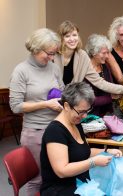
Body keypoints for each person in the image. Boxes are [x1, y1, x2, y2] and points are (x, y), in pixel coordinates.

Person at [40, 82, 123, 195]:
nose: (85, 116)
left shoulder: (76, 123)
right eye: (81, 112)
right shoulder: (55, 131)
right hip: (59, 188)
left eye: (87, 111)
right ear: (66, 106)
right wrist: (93, 162)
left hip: (77, 181)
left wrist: (106, 151)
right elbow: (61, 171)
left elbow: (83, 151)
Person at [9, 28, 64, 195]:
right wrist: (46, 104)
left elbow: (61, 92)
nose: (52, 57)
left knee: (56, 175)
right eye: (49, 53)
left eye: (54, 53)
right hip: (35, 132)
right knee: (38, 179)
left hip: (56, 128)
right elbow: (16, 106)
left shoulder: (54, 68)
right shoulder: (21, 71)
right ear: (36, 49)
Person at [53, 20, 123, 94]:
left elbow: (98, 81)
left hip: (71, 102)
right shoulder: (53, 55)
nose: (72, 39)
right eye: (67, 36)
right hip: (51, 100)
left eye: (74, 35)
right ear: (61, 38)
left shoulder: (82, 56)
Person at [85, 34, 114, 117]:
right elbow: (88, 100)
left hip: (107, 115)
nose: (107, 56)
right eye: (104, 53)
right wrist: (110, 98)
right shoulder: (85, 69)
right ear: (94, 53)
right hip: (89, 116)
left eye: (108, 53)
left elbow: (111, 88)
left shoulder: (104, 67)